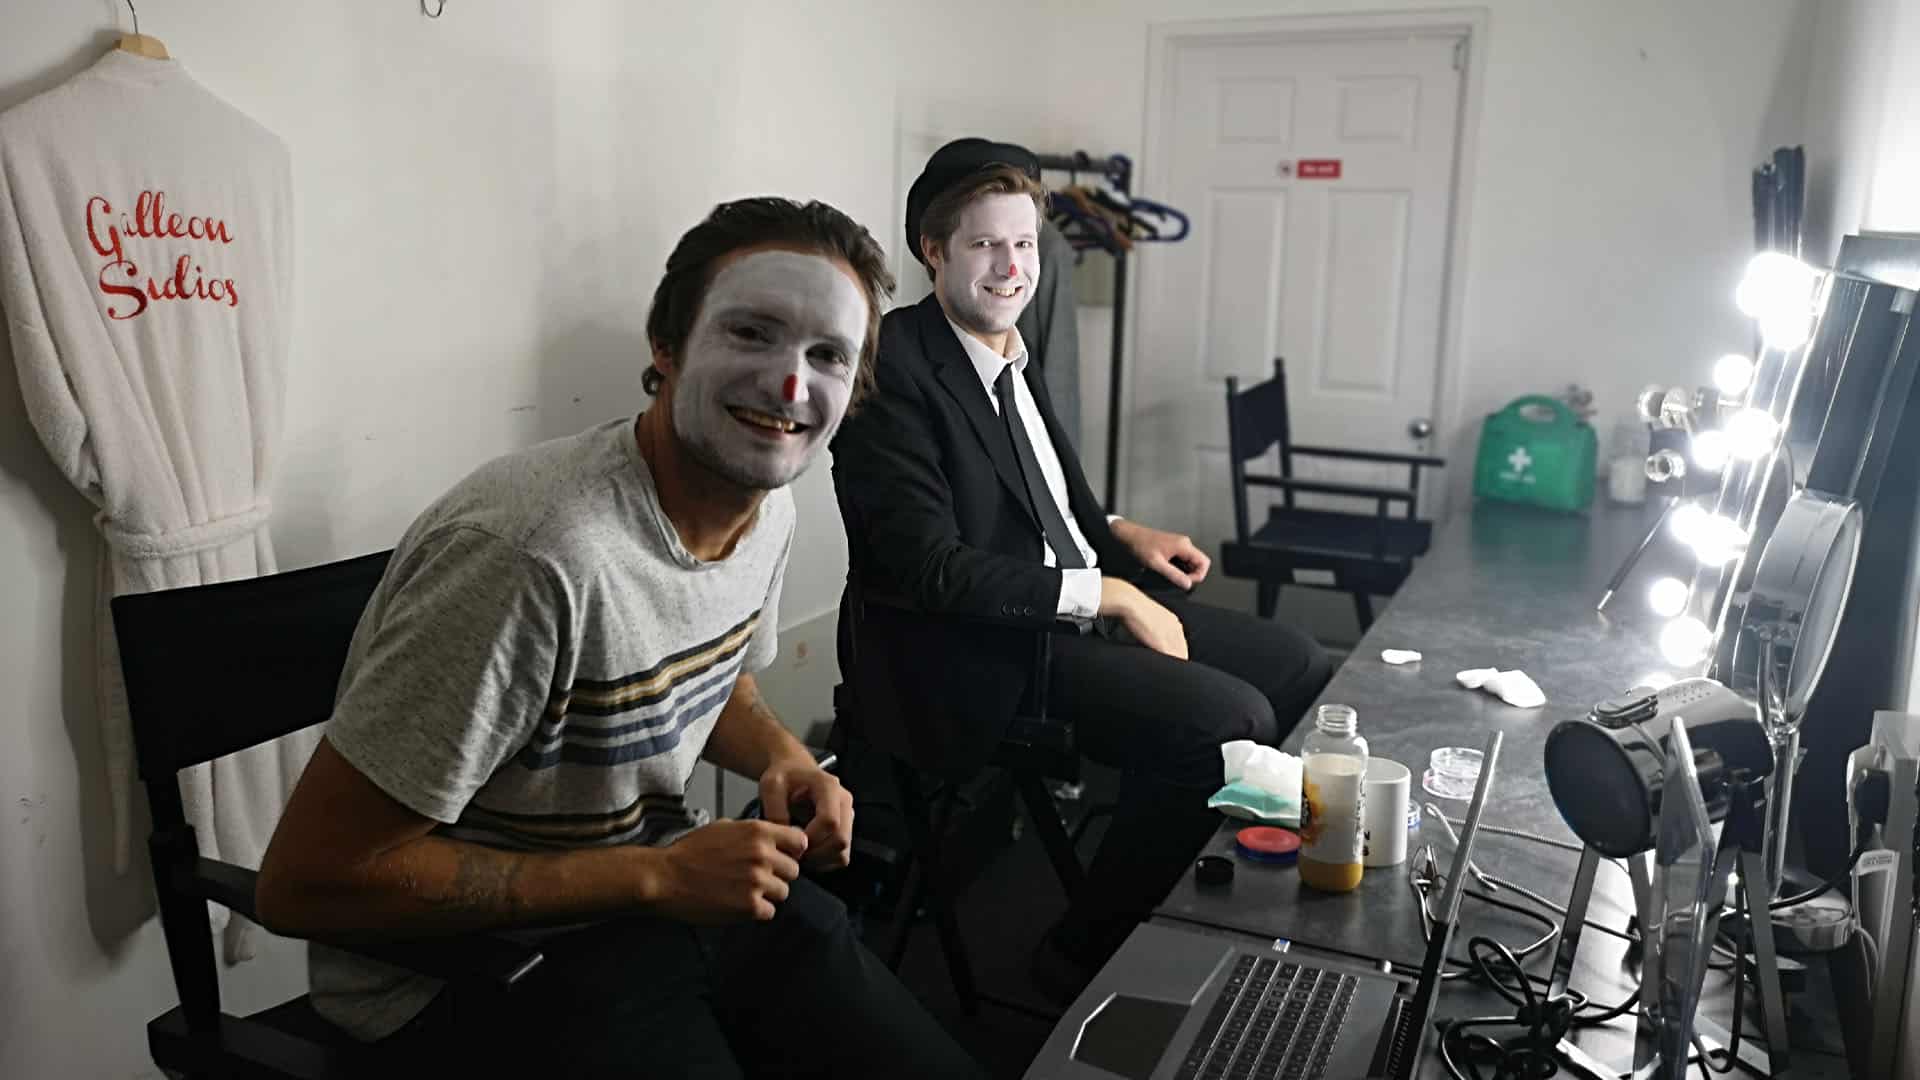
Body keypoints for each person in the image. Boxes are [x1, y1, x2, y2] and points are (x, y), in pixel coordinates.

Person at [257, 197, 984, 1079]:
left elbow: (707, 683)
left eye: (828, 356)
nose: (792, 386)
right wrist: (655, 878)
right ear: (667, 347)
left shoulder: (769, 508)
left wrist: (783, 760)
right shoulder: (531, 558)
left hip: (649, 907)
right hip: (465, 978)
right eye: (752, 333)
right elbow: (306, 881)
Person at [830, 139, 1332, 999]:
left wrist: (1118, 534)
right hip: (968, 647)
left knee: (1300, 664)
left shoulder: (1009, 349)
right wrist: (1109, 594)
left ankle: (1168, 876)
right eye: (985, 244)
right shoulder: (892, 369)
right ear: (933, 249)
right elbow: (933, 572)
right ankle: (1088, 947)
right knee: (1225, 722)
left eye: (1022, 244)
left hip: (1062, 599)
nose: (1011, 265)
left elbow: (1034, 495)